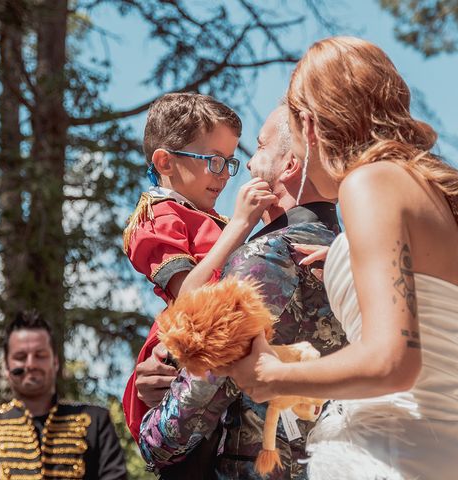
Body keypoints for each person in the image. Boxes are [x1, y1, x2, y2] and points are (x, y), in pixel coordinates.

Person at [221, 37, 458, 480]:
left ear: (309, 124)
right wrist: (352, 259)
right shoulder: (454, 201)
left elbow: (391, 363)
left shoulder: (369, 183)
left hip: (391, 453)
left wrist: (270, 376)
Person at [136, 105, 347, 480]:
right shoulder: (356, 258)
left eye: (261, 147)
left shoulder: (264, 256)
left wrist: (151, 428)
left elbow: (186, 417)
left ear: (289, 167)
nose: (248, 166)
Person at [121, 92, 276, 441]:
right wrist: (240, 225)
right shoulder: (158, 216)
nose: (223, 176)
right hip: (185, 347)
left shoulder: (206, 217)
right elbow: (190, 296)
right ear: (165, 162)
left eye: (230, 163)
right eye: (214, 160)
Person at [0, 310, 127, 480]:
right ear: (6, 366)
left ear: (55, 362)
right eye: (20, 356)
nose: (31, 364)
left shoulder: (96, 421)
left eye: (40, 355)